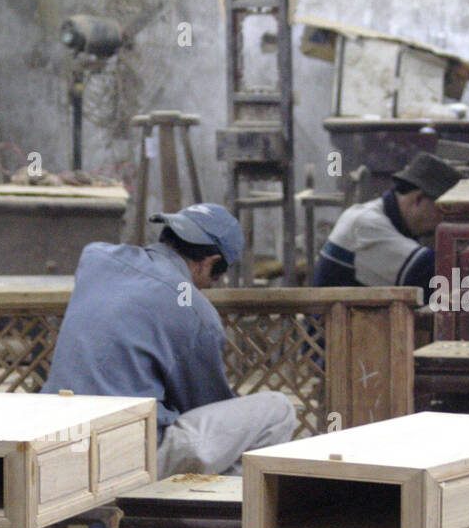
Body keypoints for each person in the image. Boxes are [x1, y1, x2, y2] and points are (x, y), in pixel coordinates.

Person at [41, 203, 296, 477]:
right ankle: (205, 516)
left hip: (51, 439)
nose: (208, 286)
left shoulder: (96, 257)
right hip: (119, 457)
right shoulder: (195, 312)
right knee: (278, 410)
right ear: (209, 263)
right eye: (215, 277)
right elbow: (203, 404)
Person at [310, 152, 462, 296]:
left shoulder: (385, 218)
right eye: (443, 209)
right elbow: (430, 274)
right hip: (332, 323)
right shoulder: (364, 223)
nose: (444, 219)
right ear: (418, 199)